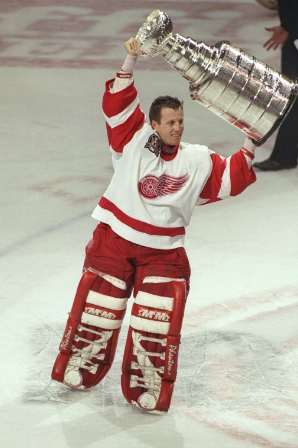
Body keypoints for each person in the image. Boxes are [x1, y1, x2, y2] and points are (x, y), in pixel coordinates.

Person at [51, 37, 256, 414]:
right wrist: (130, 56)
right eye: (171, 122)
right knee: (99, 307)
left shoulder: (198, 159)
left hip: (163, 251)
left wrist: (251, 137)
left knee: (156, 319)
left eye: (181, 121)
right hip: (115, 238)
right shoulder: (131, 140)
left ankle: (147, 380)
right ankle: (82, 362)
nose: (178, 127)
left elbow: (230, 179)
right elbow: (116, 102)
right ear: (154, 124)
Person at [254, 0, 298, 171]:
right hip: (291, 36)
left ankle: (284, 156)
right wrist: (286, 26)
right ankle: (284, 155)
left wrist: (290, 27)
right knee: (292, 97)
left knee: (293, 98)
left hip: (292, 33)